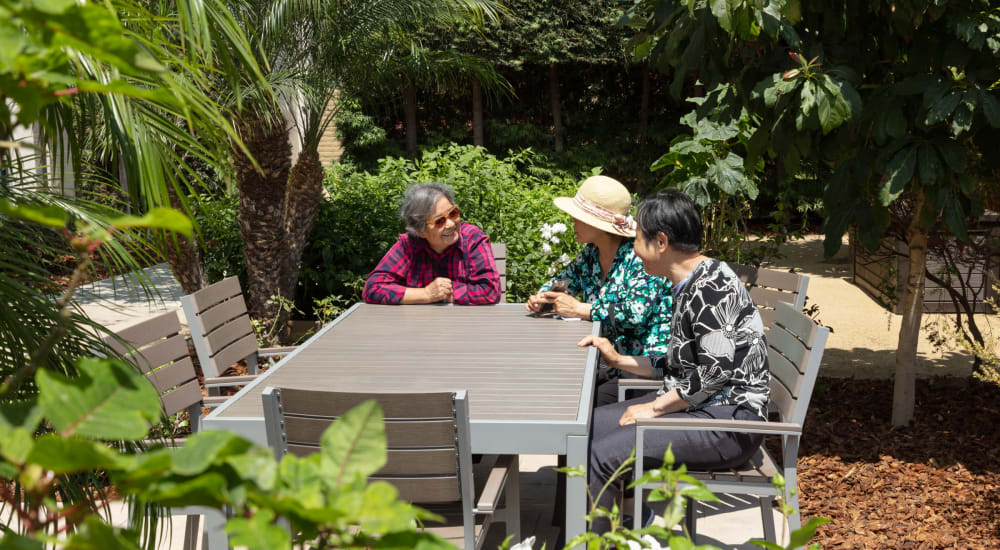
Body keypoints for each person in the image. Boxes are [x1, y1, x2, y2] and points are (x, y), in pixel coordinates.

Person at [578, 189, 770, 534]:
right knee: (581, 430)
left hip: (728, 422)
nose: (634, 249)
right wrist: (620, 359)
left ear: (661, 242)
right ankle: (596, 530)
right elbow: (681, 364)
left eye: (637, 237)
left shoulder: (711, 287)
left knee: (602, 455)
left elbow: (712, 374)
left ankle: (595, 540)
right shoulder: (688, 281)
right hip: (702, 408)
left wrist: (654, 409)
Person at [526, 175, 672, 407]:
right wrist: (543, 297)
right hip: (609, 362)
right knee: (553, 386)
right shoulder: (591, 254)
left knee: (576, 403)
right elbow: (564, 280)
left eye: (578, 216)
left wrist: (583, 309)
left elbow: (635, 313)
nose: (572, 220)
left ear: (597, 224)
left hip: (643, 369)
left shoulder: (639, 257)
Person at [363, 183, 501, 305]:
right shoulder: (408, 245)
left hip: (467, 324)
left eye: (453, 213)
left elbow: (490, 291)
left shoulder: (473, 238)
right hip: (417, 326)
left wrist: (445, 293)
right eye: (439, 221)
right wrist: (426, 294)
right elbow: (373, 288)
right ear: (420, 231)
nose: (451, 224)